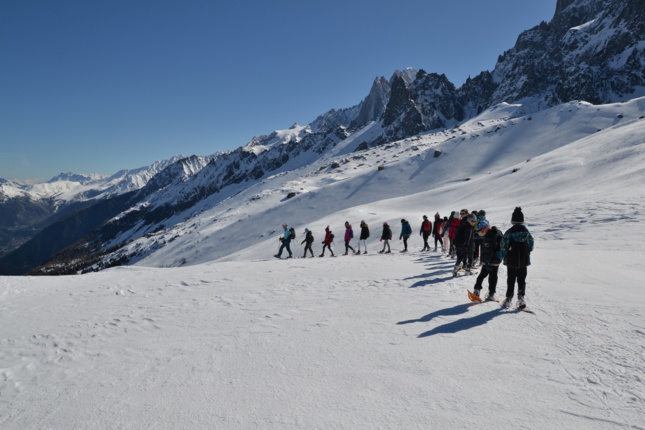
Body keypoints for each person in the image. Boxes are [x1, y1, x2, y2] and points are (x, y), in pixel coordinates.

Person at [501, 207, 535, 309]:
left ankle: (508, 299)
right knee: (521, 280)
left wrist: (505, 254)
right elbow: (531, 244)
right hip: (524, 260)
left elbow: (503, 245)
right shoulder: (526, 232)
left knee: (510, 280)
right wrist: (527, 252)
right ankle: (521, 298)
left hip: (511, 260)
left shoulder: (509, 232)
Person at [472, 225, 502, 300]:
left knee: (481, 276)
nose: (481, 232)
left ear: (486, 227)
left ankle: (476, 290)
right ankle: (491, 294)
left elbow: (489, 250)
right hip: (497, 260)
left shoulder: (489, 236)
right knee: (493, 277)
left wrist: (487, 261)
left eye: (482, 230)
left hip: (489, 261)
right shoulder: (498, 233)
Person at [452, 210, 475, 276]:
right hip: (467, 244)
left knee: (461, 257)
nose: (474, 223)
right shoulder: (469, 227)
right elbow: (467, 236)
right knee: (470, 256)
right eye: (472, 221)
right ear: (469, 220)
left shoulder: (463, 223)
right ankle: (468, 270)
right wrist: (466, 244)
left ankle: (455, 269)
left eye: (474, 221)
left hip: (460, 243)